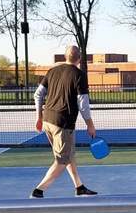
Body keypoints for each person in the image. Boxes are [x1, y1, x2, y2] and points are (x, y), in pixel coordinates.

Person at [30, 45, 98, 199]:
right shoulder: (80, 75)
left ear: (65, 57)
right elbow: (83, 104)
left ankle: (79, 187)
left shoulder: (52, 71)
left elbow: (37, 94)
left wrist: (38, 117)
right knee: (62, 160)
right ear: (79, 58)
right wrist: (90, 125)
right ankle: (38, 191)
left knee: (69, 155)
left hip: (47, 120)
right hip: (62, 124)